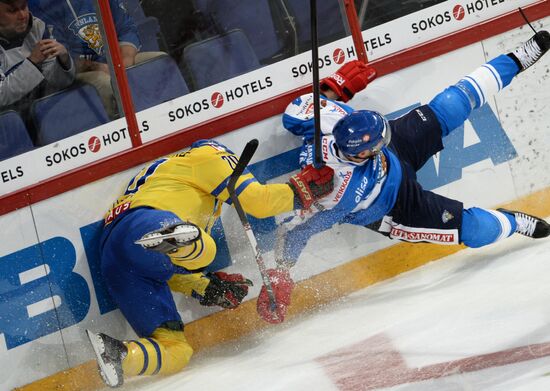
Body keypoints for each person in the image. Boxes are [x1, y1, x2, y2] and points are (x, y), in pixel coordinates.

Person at [255, 30, 550, 324]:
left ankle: (518, 58)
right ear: (360, 154)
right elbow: (295, 232)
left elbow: (300, 108)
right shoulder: (333, 195)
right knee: (473, 229)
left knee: (450, 104)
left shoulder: (328, 121)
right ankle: (513, 223)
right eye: (376, 145)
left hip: (396, 152)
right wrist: (281, 273)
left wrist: (334, 89)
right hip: (397, 207)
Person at [86, 138, 334, 387]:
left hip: (118, 260)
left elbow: (162, 266)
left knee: (177, 350)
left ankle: (118, 354)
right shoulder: (209, 155)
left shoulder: (168, 175)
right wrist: (301, 193)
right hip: (145, 221)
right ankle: (174, 235)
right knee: (207, 250)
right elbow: (259, 202)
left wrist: (205, 286)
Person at [29, 0, 163, 118]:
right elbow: (61, 58)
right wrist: (98, 67)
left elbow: (126, 28)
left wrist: (125, 63)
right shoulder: (43, 5)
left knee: (159, 61)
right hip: (79, 73)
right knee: (105, 83)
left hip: (115, 60)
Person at [0, 0, 74, 130]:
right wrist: (32, 62)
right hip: (9, 127)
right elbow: (1, 96)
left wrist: (64, 61)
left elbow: (59, 83)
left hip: (46, 112)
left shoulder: (39, 26)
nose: (23, 15)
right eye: (12, 11)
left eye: (24, 7)